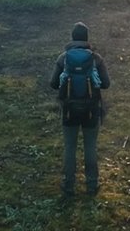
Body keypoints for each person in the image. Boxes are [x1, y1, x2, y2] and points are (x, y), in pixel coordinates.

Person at [48, 21, 110, 197]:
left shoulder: (63, 58)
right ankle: (91, 186)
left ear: (73, 38)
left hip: (69, 111)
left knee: (70, 147)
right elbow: (106, 84)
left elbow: (53, 84)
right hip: (91, 110)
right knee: (90, 146)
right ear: (86, 38)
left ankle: (68, 187)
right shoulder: (96, 58)